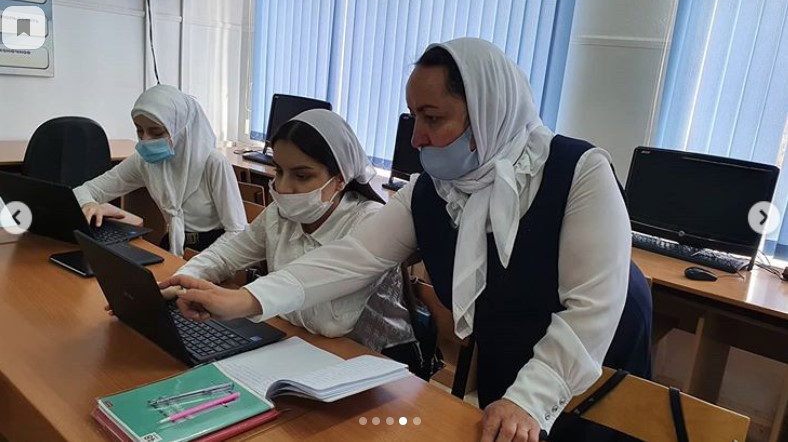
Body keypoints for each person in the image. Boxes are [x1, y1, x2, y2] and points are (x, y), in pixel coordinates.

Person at [164, 38, 652, 442]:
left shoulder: (579, 171)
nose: (416, 138)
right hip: (508, 350)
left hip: (593, 357)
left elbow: (592, 308)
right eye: (413, 117)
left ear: (488, 112)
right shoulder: (430, 192)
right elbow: (351, 259)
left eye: (432, 118)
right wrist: (246, 300)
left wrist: (530, 398)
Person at [167, 109, 419, 365]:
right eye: (279, 171)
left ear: (340, 179)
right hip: (300, 348)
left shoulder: (368, 221)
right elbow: (226, 255)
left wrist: (243, 300)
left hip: (369, 359)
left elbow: (328, 323)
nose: (283, 187)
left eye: (302, 175)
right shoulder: (280, 214)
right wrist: (181, 281)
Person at [73, 84, 246, 256]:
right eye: (139, 130)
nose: (145, 140)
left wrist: (198, 265)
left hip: (214, 251)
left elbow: (237, 231)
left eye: (156, 132)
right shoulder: (145, 162)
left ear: (180, 129)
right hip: (173, 244)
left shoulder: (213, 162)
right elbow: (83, 191)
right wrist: (89, 204)